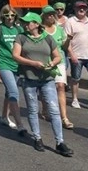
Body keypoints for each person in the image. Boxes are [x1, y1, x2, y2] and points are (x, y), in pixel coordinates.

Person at [12, 12, 73, 156]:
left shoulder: (48, 38)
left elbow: (58, 56)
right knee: (33, 109)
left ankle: (60, 142)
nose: (26, 25)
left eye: (29, 22)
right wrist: (32, 63)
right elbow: (15, 56)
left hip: (47, 79)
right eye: (24, 22)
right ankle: (37, 138)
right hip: (29, 79)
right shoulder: (21, 37)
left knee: (54, 110)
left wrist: (53, 62)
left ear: (37, 24)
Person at [0, 5, 27, 133]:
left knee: (8, 92)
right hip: (3, 64)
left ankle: (4, 116)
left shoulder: (19, 29)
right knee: (14, 92)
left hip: (16, 65)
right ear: (3, 16)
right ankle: (20, 125)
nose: (10, 18)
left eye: (12, 15)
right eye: (7, 15)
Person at [40, 6, 73, 129]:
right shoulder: (40, 30)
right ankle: (44, 110)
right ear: (43, 16)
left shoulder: (59, 29)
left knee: (60, 87)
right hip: (45, 62)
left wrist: (68, 40)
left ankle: (64, 117)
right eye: (48, 14)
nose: (51, 16)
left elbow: (64, 47)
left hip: (59, 61)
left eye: (52, 14)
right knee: (46, 87)